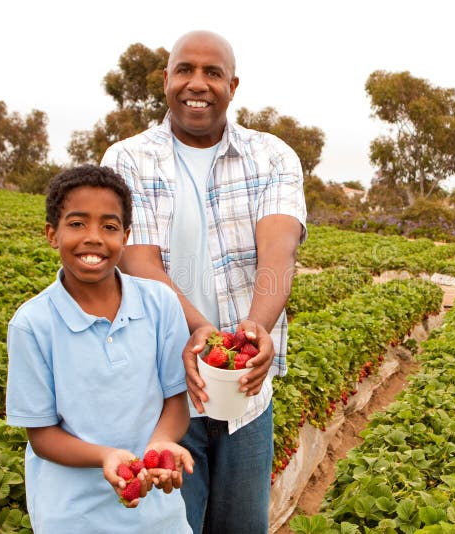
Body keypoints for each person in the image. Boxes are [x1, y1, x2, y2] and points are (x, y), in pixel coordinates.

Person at [101, 30, 306, 533]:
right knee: (173, 525)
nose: (198, 83)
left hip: (246, 394)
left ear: (232, 86)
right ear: (166, 79)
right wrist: (201, 331)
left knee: (240, 526)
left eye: (212, 73)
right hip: (164, 390)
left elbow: (278, 252)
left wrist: (253, 330)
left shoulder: (272, 157)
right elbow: (139, 261)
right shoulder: (127, 159)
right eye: (185, 70)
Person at [5, 165, 194, 533]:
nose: (93, 238)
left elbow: (175, 401)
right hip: (74, 516)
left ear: (125, 236)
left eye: (109, 227)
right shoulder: (33, 324)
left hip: (156, 513)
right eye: (77, 224)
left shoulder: (160, 303)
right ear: (51, 234)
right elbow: (42, 435)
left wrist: (160, 446)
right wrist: (106, 456)